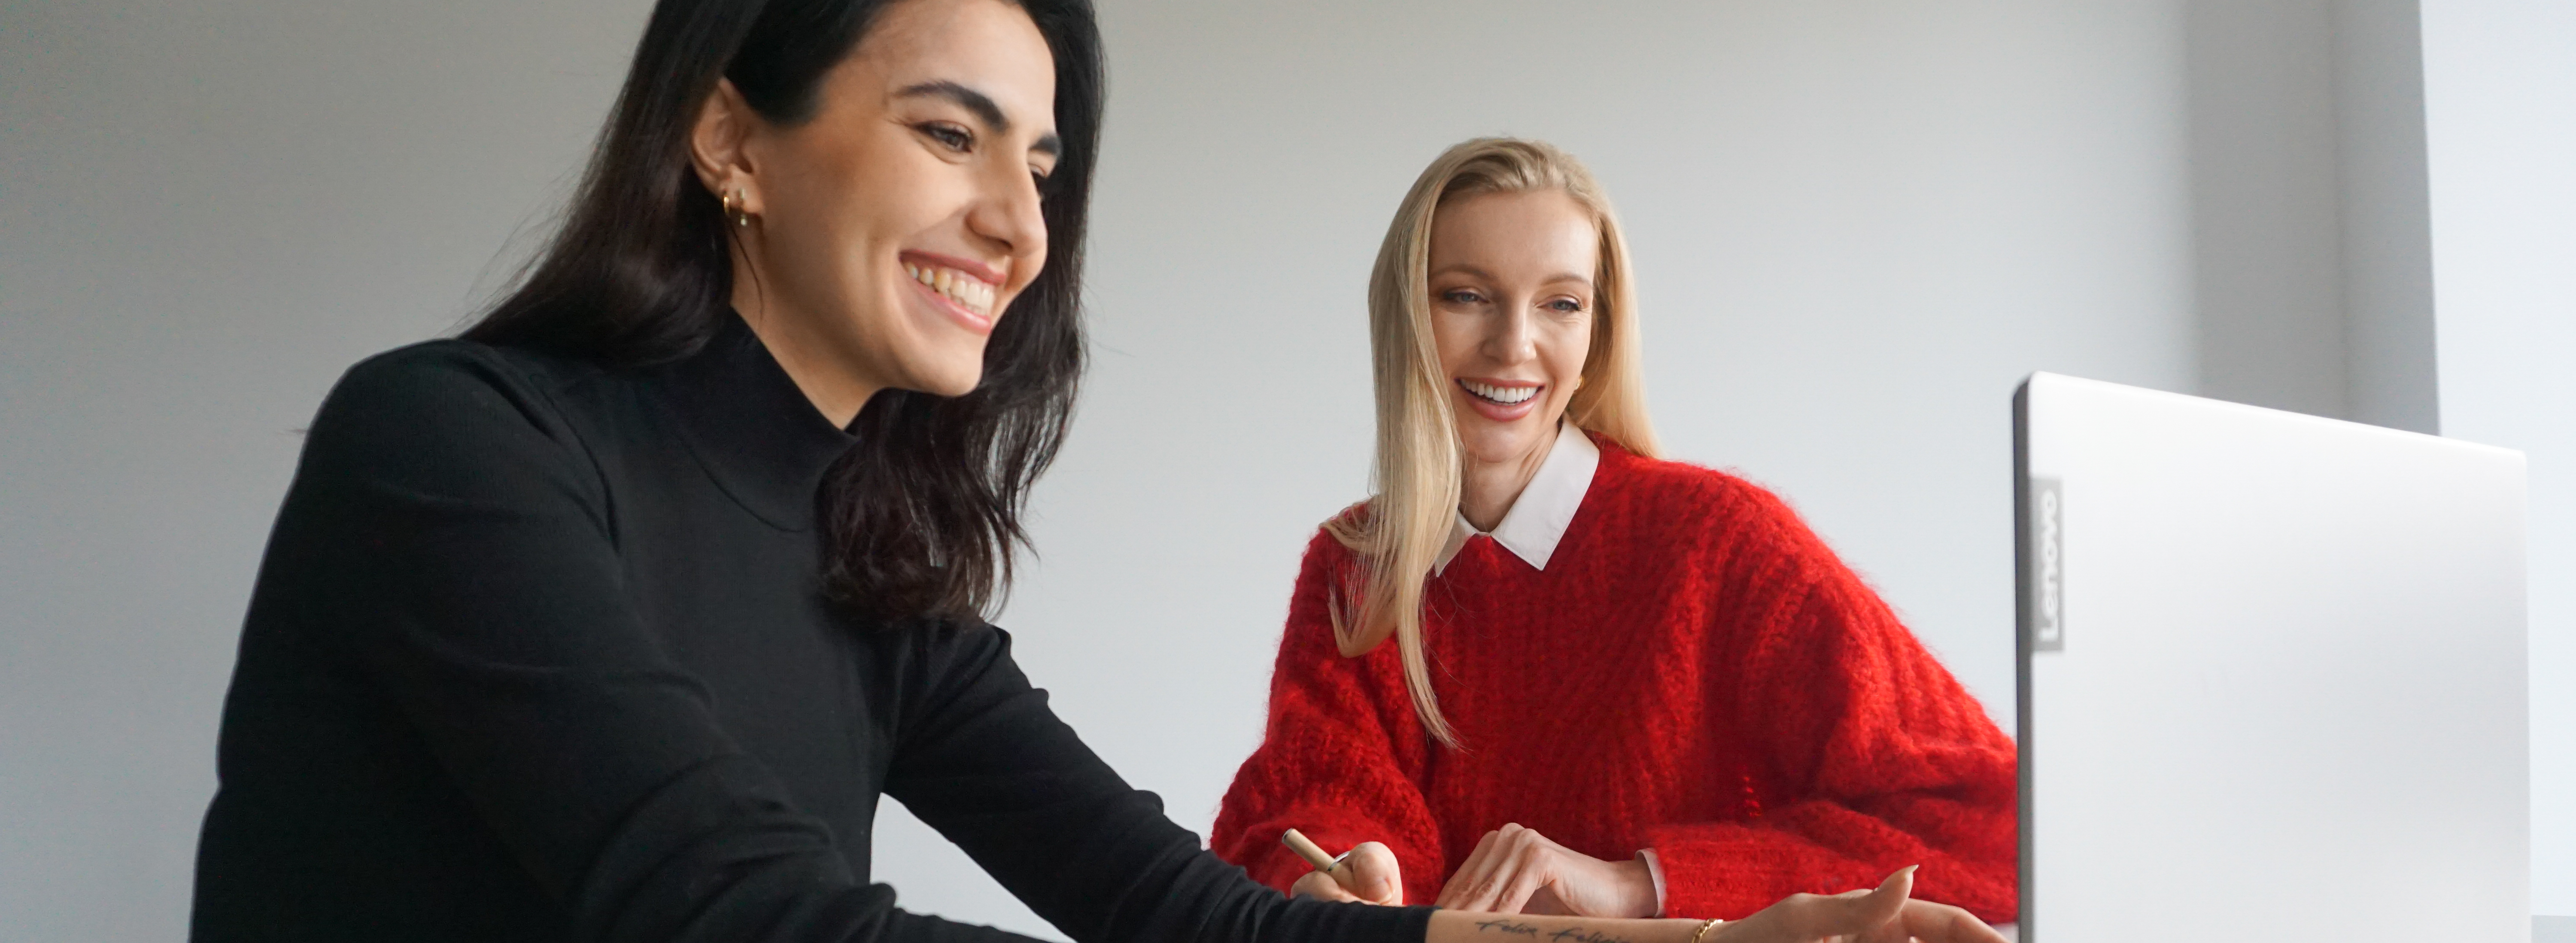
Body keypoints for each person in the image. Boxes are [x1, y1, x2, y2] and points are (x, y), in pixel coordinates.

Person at [189, 0, 2004, 940]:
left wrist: (1673, 922)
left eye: (1044, 166)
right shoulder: (446, 448)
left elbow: (1178, 912)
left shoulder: (868, 569)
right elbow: (740, 921)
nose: (1020, 222)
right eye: (951, 133)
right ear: (730, 135)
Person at [1208, 139, 2020, 929]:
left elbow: (1996, 827)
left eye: (1561, 304)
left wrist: (1642, 883)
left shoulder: (1719, 541)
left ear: (1599, 329)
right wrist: (1338, 877)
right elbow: (1309, 805)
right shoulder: (1355, 567)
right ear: (1407, 317)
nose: (1513, 344)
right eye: (1466, 296)